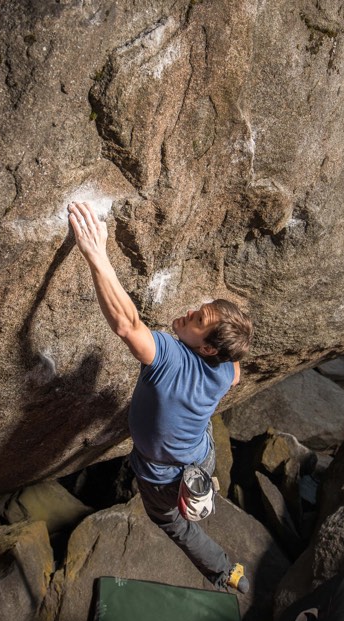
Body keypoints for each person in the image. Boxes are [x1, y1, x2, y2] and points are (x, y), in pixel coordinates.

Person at [68, 201, 254, 594]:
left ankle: (224, 571)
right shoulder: (226, 369)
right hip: (200, 455)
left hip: (161, 475)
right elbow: (237, 375)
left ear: (207, 349)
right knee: (198, 473)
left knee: (171, 520)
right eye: (199, 310)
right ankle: (202, 487)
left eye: (197, 320)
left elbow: (126, 323)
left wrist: (96, 254)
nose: (187, 313)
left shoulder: (168, 356)